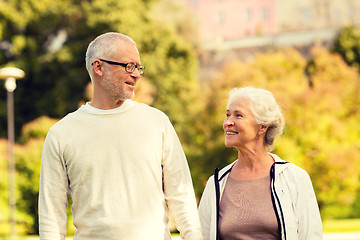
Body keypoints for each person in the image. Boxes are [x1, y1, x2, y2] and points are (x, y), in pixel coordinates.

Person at [38, 32, 203, 240]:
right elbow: (51, 216)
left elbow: (181, 195)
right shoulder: (61, 133)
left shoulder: (156, 122)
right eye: (129, 66)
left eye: (138, 67)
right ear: (99, 67)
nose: (136, 74)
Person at [198, 87, 322, 240]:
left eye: (238, 115)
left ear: (262, 126)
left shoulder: (295, 178)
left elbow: (311, 235)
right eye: (228, 115)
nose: (228, 122)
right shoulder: (216, 183)